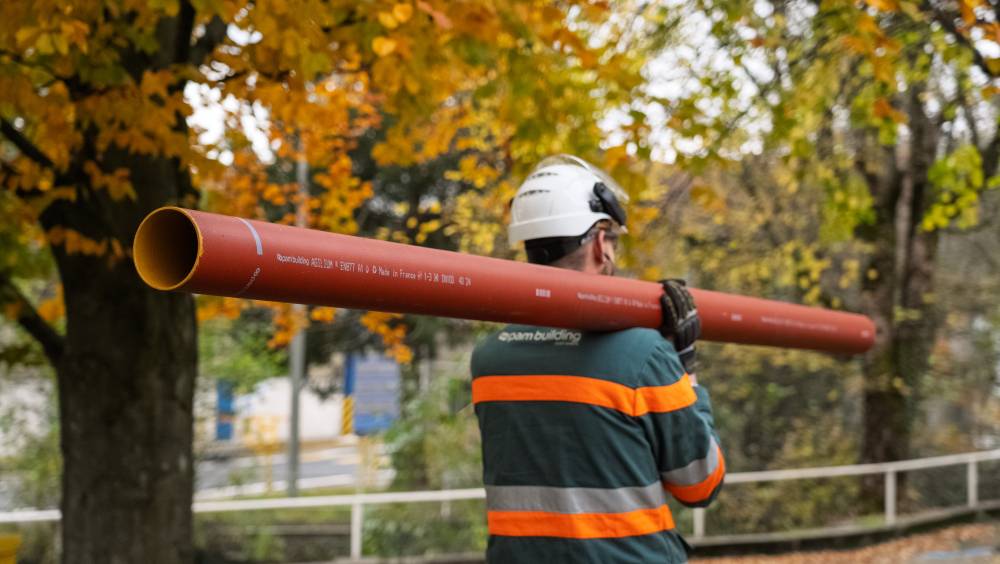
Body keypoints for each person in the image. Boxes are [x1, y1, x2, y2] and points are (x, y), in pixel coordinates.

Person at [470, 155, 725, 563]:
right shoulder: (644, 356)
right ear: (601, 243)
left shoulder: (489, 359)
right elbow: (701, 484)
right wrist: (685, 366)